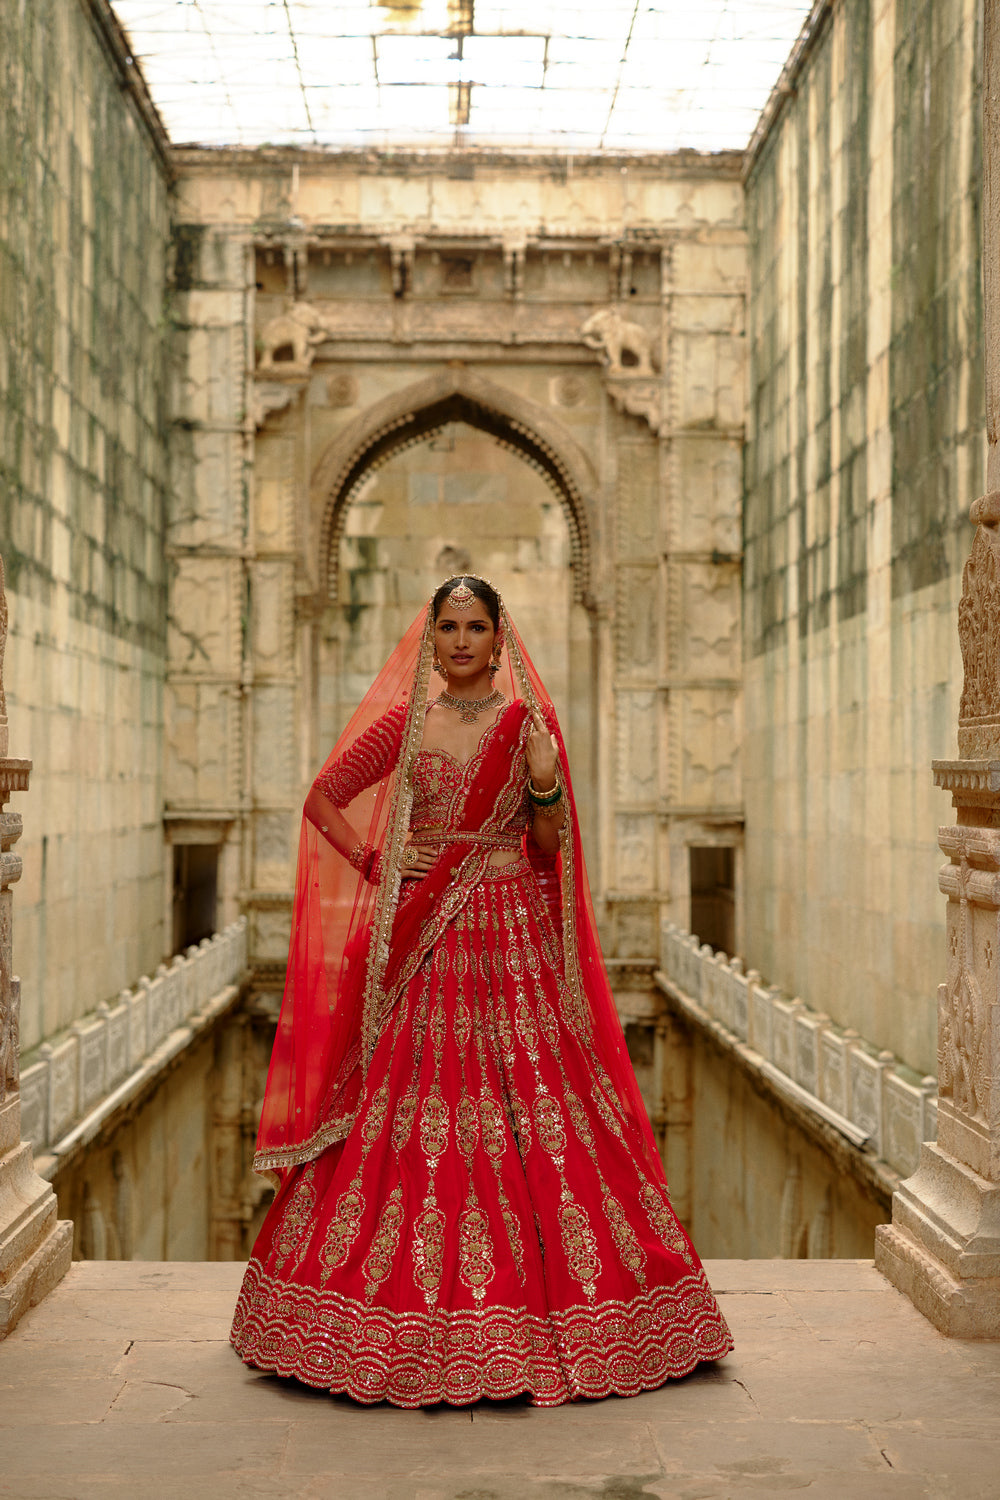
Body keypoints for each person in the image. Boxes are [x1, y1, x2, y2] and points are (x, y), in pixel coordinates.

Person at [231, 574, 732, 1405]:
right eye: (448, 627)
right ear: (431, 639)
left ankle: (565, 1320)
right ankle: (385, 1323)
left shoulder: (528, 724)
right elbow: (322, 799)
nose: (462, 641)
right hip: (425, 937)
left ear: (500, 639)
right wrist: (380, 864)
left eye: (476, 627)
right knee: (411, 1109)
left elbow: (549, 845)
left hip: (512, 944)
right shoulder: (404, 725)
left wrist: (542, 780)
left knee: (534, 1106)